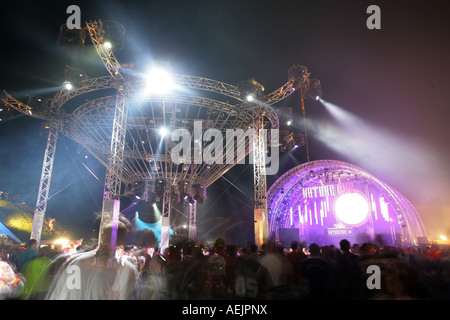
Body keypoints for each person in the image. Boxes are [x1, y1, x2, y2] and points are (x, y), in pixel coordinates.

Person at [47, 220, 138, 300]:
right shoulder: (127, 269)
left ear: (102, 237)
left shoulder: (77, 262)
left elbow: (60, 295)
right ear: (122, 241)